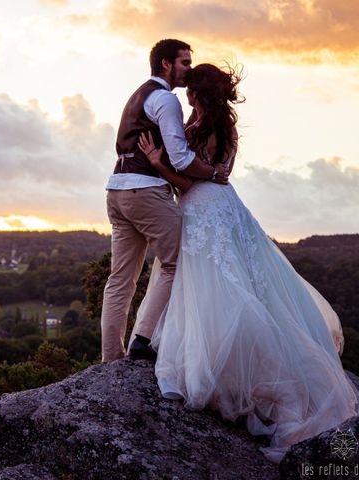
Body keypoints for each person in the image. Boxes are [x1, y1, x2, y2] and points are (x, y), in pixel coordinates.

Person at [137, 63, 359, 462]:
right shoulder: (227, 128)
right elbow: (222, 175)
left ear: (197, 93)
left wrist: (156, 163)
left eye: (190, 88)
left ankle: (225, 376)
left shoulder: (201, 127)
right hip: (229, 207)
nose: (185, 92)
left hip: (203, 211)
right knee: (244, 285)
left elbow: (191, 181)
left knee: (213, 291)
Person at [100, 39, 229, 363]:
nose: (188, 69)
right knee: (177, 262)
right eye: (184, 62)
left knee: (120, 279)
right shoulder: (166, 100)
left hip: (117, 189)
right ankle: (142, 341)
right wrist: (213, 175)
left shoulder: (138, 95)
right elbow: (181, 157)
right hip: (146, 190)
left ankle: (111, 359)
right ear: (166, 64)